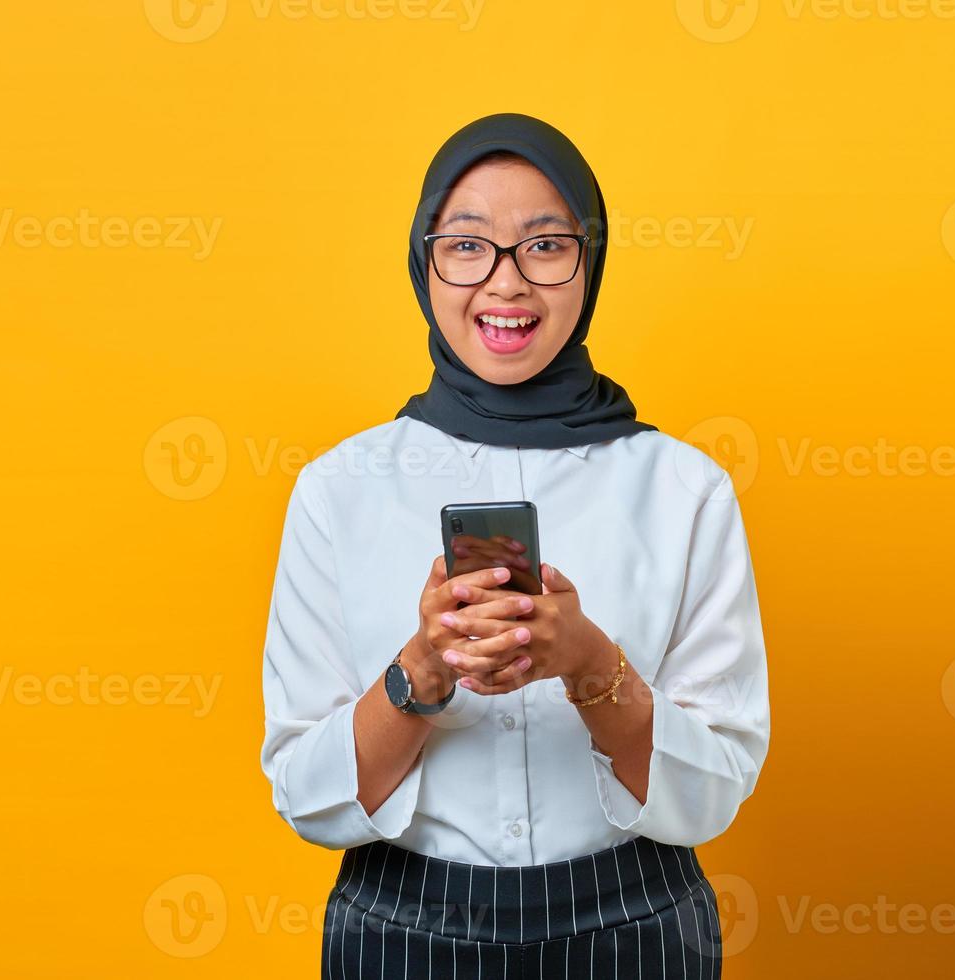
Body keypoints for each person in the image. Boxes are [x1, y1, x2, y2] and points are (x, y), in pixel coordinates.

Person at [260, 112, 770, 978]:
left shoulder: (685, 489)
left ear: (589, 262)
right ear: (424, 263)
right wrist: (420, 672)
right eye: (466, 246)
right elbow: (304, 794)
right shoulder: (336, 489)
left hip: (634, 928)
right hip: (401, 933)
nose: (505, 284)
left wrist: (587, 662)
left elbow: (714, 785)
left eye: (543, 245)